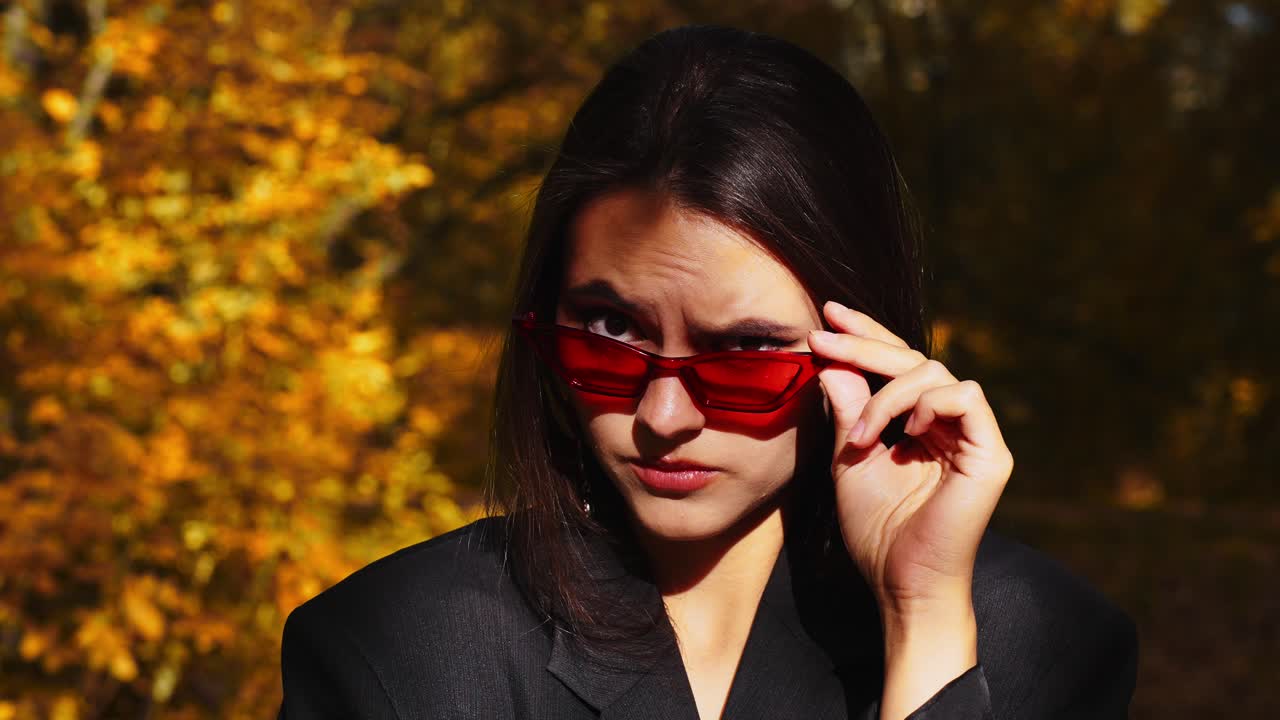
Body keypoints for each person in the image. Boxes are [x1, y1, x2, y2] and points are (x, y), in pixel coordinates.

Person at [277, 24, 1138, 720]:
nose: (662, 415)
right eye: (610, 332)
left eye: (745, 354)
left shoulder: (1033, 639)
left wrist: (922, 617)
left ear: (863, 349)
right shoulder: (403, 654)